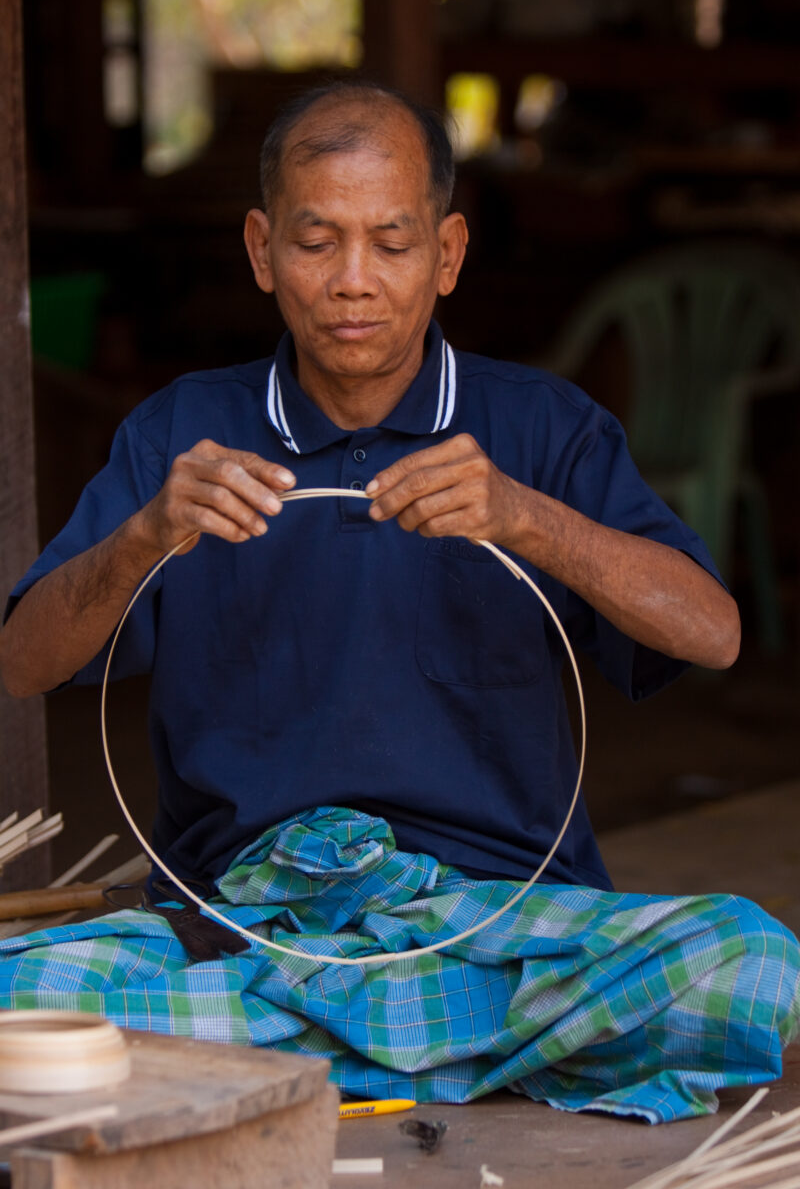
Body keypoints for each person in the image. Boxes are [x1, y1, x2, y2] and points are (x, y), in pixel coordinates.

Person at [0, 82, 797, 1123]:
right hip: (245, 917)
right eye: (315, 241)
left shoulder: (540, 428)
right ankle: (430, 1047)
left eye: (392, 242)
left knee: (745, 965)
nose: (352, 283)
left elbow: (714, 632)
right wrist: (149, 532)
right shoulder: (184, 434)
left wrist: (525, 517)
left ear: (448, 253)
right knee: (22, 993)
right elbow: (21, 663)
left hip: (493, 919)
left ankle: (294, 1058)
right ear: (259, 248)